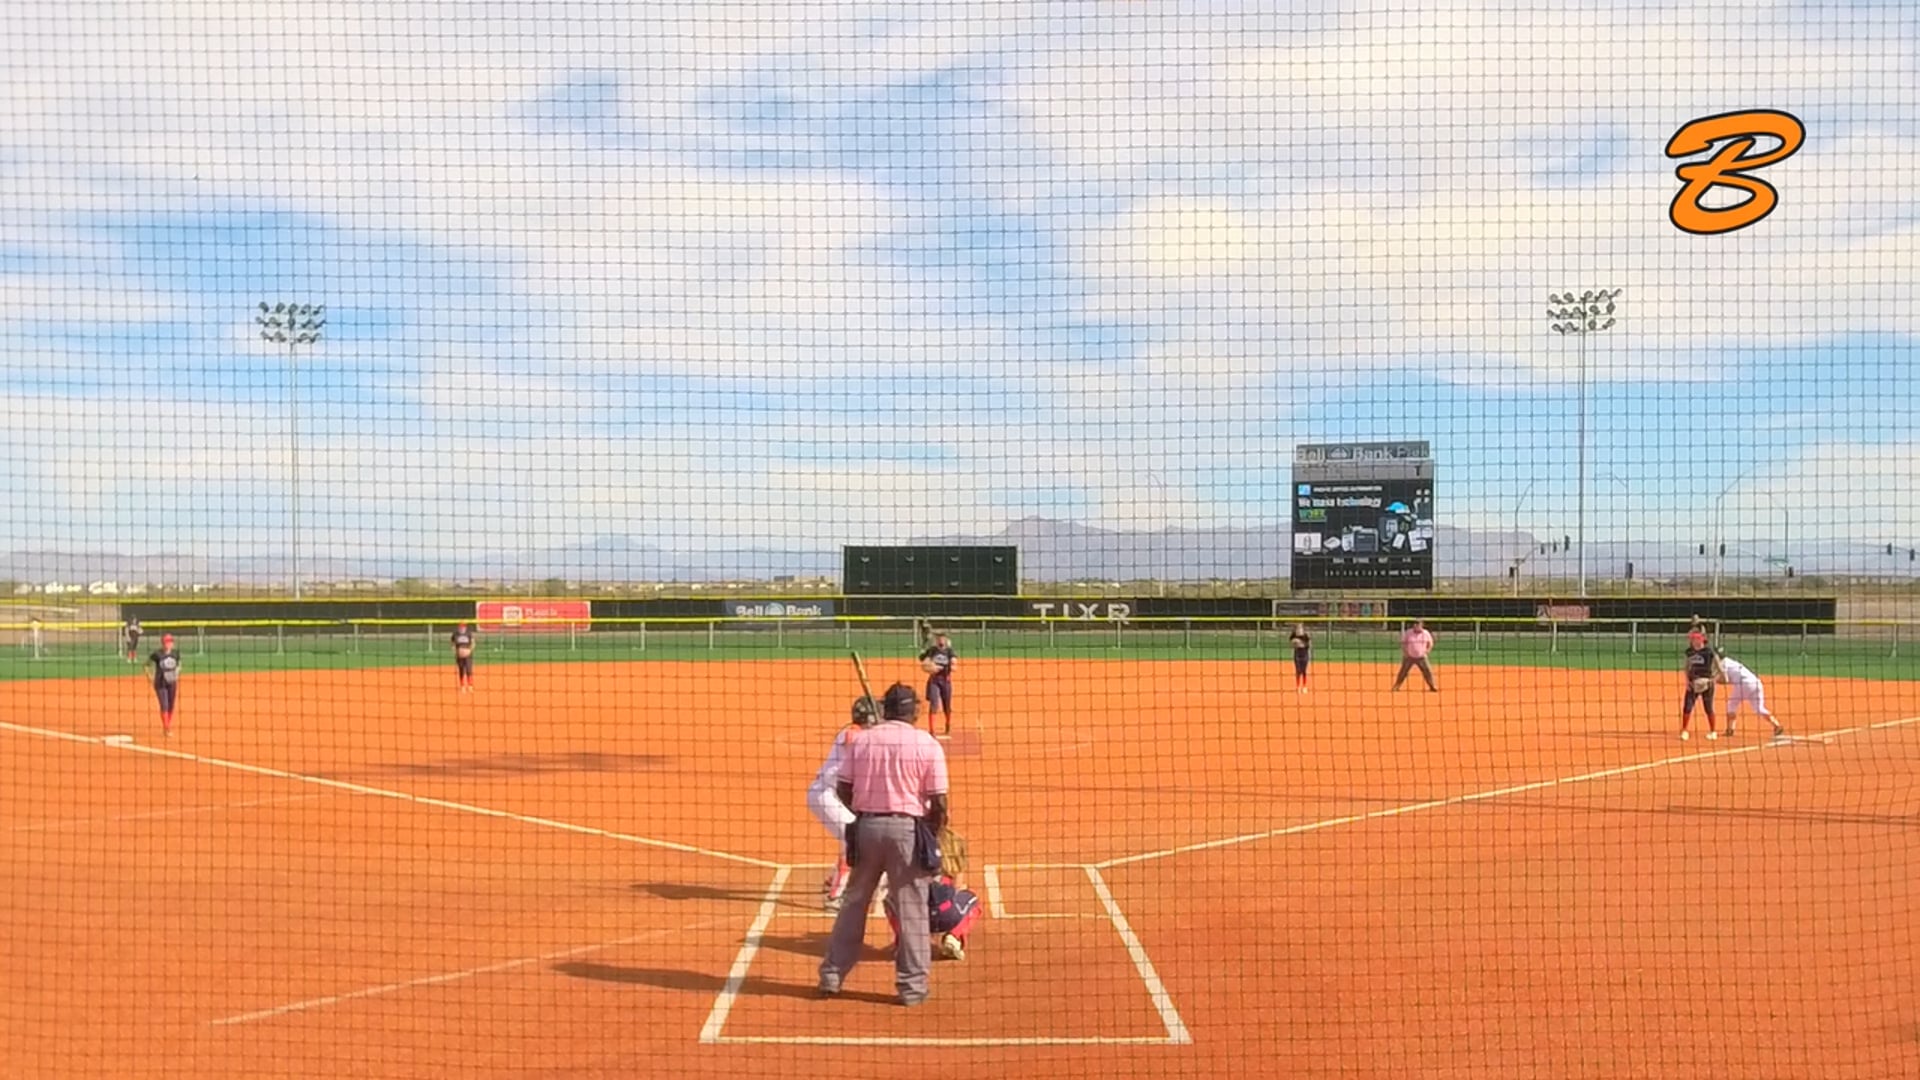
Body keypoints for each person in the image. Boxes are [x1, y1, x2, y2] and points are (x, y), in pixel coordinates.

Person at [818, 682, 950, 1007]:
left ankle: (832, 975)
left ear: (886, 709)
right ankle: (912, 988)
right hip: (907, 831)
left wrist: (862, 813)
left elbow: (843, 788)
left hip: (866, 828)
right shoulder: (927, 743)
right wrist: (930, 831)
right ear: (914, 711)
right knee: (912, 910)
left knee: (853, 904)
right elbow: (939, 802)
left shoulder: (863, 740)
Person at [811, 697, 880, 910]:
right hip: (825, 794)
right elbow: (852, 737)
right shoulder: (851, 732)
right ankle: (835, 896)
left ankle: (834, 879)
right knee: (853, 838)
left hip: (831, 795)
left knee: (850, 835)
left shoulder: (863, 736)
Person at [886, 829, 982, 962]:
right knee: (972, 899)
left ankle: (905, 942)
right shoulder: (954, 841)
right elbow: (957, 887)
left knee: (889, 900)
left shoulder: (912, 844)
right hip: (947, 916)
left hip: (915, 918)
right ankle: (954, 936)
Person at [1718, 654, 1784, 739]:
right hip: (1756, 682)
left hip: (1744, 684)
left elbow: (1725, 680)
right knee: (1759, 708)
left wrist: (1712, 681)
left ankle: (1730, 729)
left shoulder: (1722, 664)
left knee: (1731, 705)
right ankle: (1777, 725)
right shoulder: (1730, 662)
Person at [1680, 630, 1722, 741]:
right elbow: (1686, 668)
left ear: (1701, 639)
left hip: (1707, 683)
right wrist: (1687, 681)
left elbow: (1720, 669)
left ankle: (1713, 731)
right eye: (1691, 639)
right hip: (1693, 683)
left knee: (1708, 707)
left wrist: (1713, 680)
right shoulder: (1689, 652)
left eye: (1694, 639)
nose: (1692, 641)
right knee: (1687, 706)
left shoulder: (1709, 652)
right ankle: (1684, 730)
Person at [918, 630, 956, 736]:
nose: (941, 640)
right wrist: (931, 667)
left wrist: (952, 665)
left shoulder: (949, 651)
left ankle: (948, 725)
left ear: (946, 640)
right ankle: (932, 730)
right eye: (939, 638)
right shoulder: (932, 650)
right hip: (934, 680)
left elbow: (954, 663)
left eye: (943, 638)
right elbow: (924, 663)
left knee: (947, 705)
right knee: (934, 704)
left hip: (946, 681)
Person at [148, 632, 182, 737]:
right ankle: (167, 728)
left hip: (172, 682)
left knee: (171, 705)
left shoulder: (175, 653)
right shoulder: (157, 654)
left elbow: (179, 664)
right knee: (164, 705)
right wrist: (150, 676)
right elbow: (146, 664)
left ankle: (167, 725)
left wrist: (177, 672)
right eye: (166, 642)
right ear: (162, 643)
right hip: (160, 683)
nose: (168, 644)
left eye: (170, 642)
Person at [1391, 619, 1438, 692]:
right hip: (1409, 657)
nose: (1416, 625)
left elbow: (1430, 644)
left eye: (1418, 624)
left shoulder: (1426, 633)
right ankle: (1397, 686)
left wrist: (1426, 652)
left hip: (1421, 657)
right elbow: (1403, 643)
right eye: (1415, 624)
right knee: (1403, 672)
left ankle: (1432, 686)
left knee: (1428, 671)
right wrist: (1405, 652)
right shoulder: (1409, 632)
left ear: (1422, 625)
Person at [450, 622, 476, 693]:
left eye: (463, 626)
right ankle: (462, 686)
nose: (462, 628)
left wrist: (470, 650)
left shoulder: (469, 633)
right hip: (459, 654)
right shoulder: (455, 634)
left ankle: (470, 685)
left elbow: (473, 643)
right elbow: (452, 642)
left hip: (468, 654)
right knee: (461, 669)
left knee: (468, 669)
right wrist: (454, 650)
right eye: (461, 626)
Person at [1289, 623, 1313, 694]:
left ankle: (1304, 686)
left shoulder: (1305, 636)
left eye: (1300, 628)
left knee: (1304, 670)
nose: (1299, 629)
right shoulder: (1294, 635)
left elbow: (1309, 644)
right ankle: (1298, 686)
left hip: (1304, 653)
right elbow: (1291, 641)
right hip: (1297, 652)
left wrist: (1301, 642)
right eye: (1297, 628)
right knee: (1298, 670)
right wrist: (1294, 642)